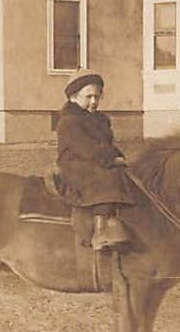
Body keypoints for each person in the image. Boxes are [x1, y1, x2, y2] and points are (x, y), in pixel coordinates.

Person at [56, 70, 135, 251]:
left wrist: (118, 155)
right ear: (74, 97)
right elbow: (86, 148)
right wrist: (110, 159)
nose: (94, 101)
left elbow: (105, 145)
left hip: (92, 160)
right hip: (75, 165)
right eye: (88, 96)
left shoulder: (99, 120)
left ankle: (121, 219)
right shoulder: (69, 121)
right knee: (107, 176)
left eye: (97, 97)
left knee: (124, 174)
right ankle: (100, 232)